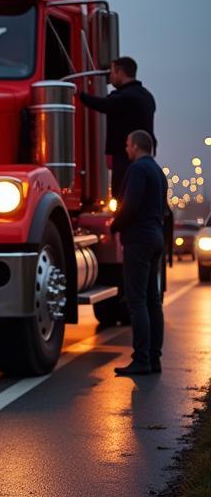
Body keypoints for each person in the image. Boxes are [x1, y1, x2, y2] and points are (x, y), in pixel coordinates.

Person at [111, 130, 169, 376]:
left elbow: (130, 206)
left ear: (135, 145)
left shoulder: (137, 170)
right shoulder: (158, 172)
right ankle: (154, 359)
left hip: (139, 240)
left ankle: (141, 359)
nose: (126, 149)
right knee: (152, 301)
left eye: (127, 144)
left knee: (137, 302)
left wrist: (114, 226)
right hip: (155, 238)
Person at [78, 56, 156, 198]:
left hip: (125, 157)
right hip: (144, 154)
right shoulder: (146, 96)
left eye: (112, 72)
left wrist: (80, 95)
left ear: (120, 73)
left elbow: (104, 105)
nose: (110, 77)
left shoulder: (126, 97)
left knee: (122, 196)